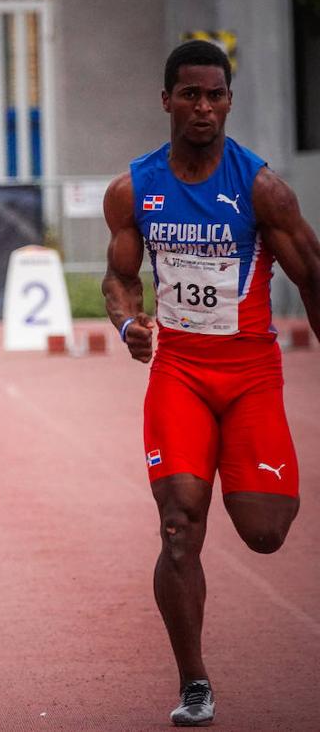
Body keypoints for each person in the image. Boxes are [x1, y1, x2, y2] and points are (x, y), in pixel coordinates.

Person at [102, 39, 320, 727]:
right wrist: (127, 323)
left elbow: (312, 276)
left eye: (215, 95)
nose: (203, 107)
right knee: (177, 527)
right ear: (166, 100)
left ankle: (237, 472)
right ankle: (194, 680)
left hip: (251, 373)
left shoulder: (261, 189)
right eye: (190, 94)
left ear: (229, 101)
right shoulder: (134, 189)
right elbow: (119, 278)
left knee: (264, 533)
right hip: (180, 374)